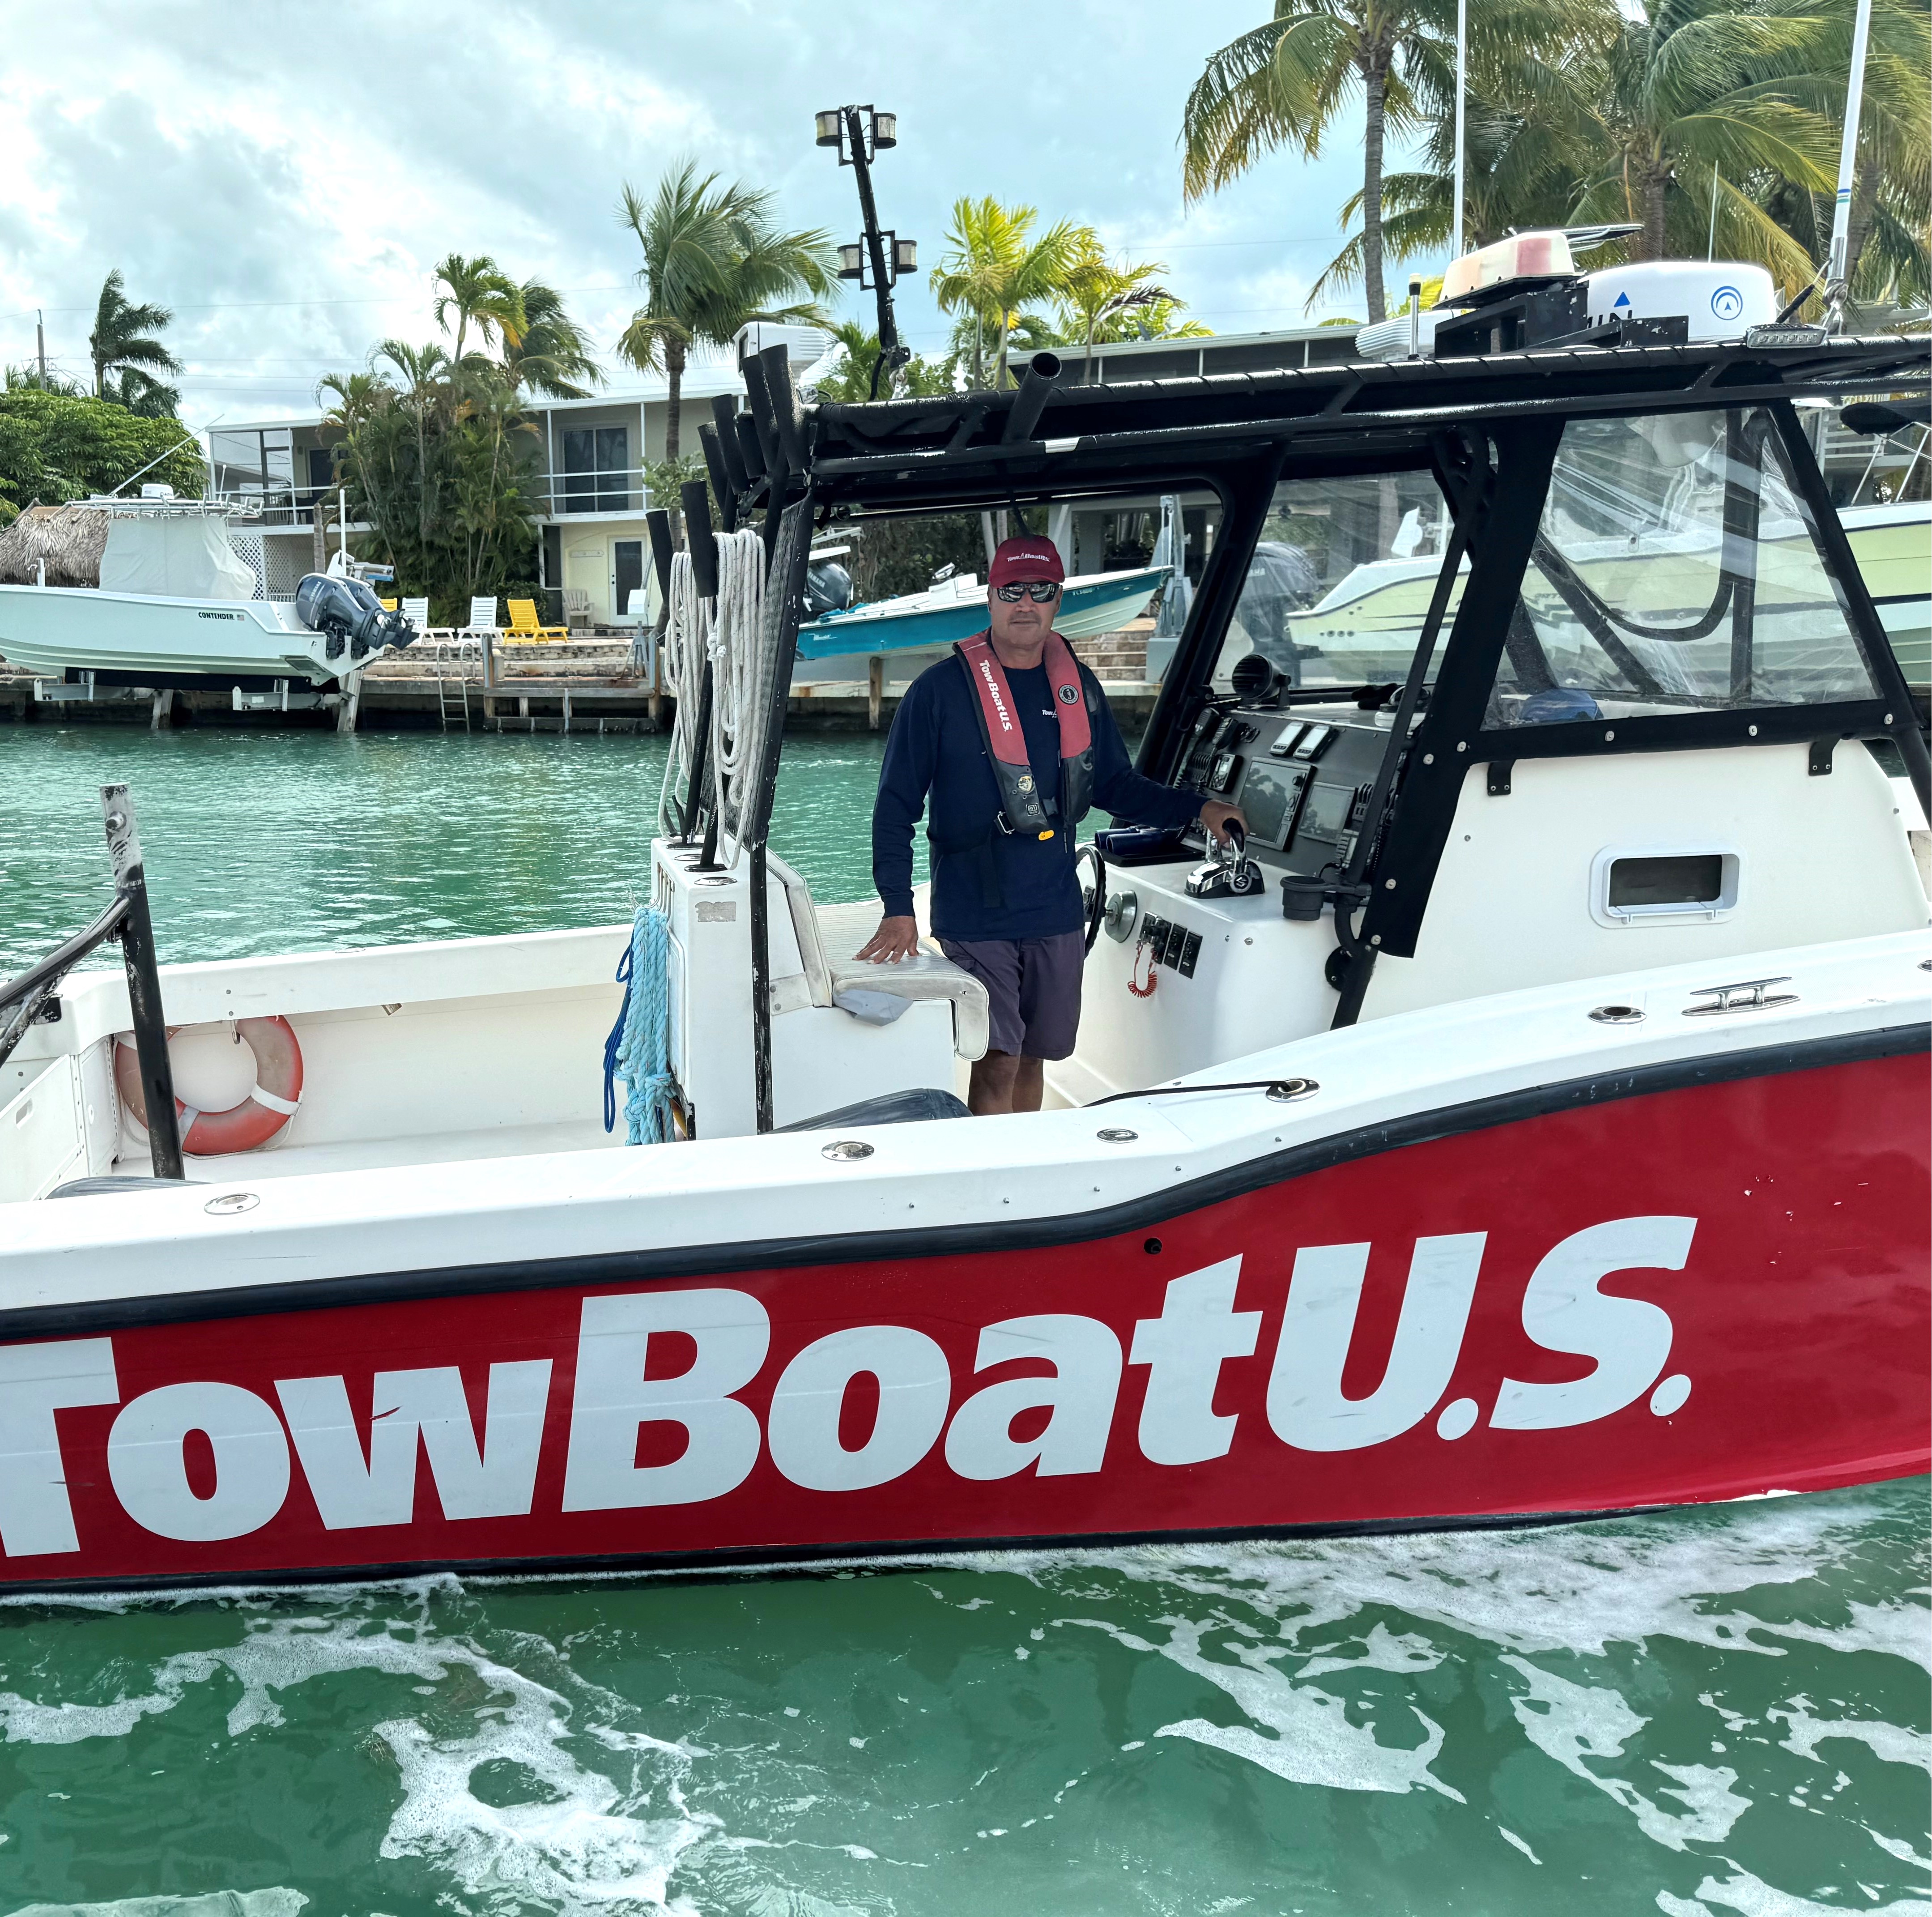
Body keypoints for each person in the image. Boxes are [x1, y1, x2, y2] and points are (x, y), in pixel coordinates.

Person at [859, 532, 1247, 1114]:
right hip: (974, 908)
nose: (1024, 603)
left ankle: (1024, 1166)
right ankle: (996, 1190)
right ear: (989, 598)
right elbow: (894, 807)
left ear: (1056, 600)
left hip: (1056, 907)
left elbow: (1115, 787)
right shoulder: (936, 693)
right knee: (999, 1058)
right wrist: (896, 905)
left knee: (1037, 1054)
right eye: (1010, 589)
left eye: (1039, 590)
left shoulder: (1078, 688)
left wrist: (1199, 809)